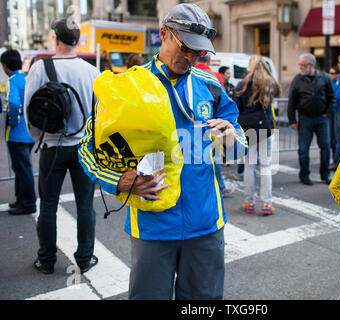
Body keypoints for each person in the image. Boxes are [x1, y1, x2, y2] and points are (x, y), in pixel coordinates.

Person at [78, 3, 247, 300]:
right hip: (152, 225)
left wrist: (233, 139)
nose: (192, 57)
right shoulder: (127, 87)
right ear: (163, 34)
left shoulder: (212, 85)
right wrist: (117, 181)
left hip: (206, 222)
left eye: (199, 52)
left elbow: (240, 138)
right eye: (186, 48)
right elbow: (87, 148)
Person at [24, 19, 100, 275]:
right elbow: (99, 113)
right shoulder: (90, 71)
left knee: (47, 205)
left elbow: (29, 110)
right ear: (77, 40)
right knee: (85, 205)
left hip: (52, 146)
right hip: (84, 148)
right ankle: (85, 257)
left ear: (55, 39)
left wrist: (41, 138)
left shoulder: (39, 68)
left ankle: (46, 260)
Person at [234, 54, 280, 215]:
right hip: (265, 128)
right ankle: (267, 203)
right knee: (266, 166)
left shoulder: (241, 85)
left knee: (249, 165)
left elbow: (236, 108)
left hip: (248, 129)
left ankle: (249, 203)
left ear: (250, 66)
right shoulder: (269, 84)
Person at [287, 53, 335, 185]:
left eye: (302, 65)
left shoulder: (324, 78)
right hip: (305, 119)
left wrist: (327, 112)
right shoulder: (297, 79)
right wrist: (292, 120)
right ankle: (304, 175)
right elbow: (291, 101)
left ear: (311, 65)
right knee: (303, 149)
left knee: (325, 147)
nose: (300, 67)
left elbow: (332, 97)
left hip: (321, 119)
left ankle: (325, 175)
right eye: (300, 65)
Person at [1, 49, 36, 215]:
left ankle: (28, 203)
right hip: (30, 131)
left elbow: (13, 104)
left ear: (5, 66)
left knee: (22, 169)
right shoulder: (27, 78)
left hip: (17, 133)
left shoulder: (12, 80)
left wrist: (13, 121)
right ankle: (20, 200)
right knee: (22, 168)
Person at [194, 54, 232, 197]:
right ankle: (220, 186)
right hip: (213, 122)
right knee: (214, 155)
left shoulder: (187, 73)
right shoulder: (214, 75)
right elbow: (222, 100)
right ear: (209, 61)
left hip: (192, 123)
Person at [328, 65, 340, 170]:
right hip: (330, 113)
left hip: (336, 112)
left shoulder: (338, 83)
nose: (330, 75)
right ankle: (333, 157)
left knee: (336, 137)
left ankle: (335, 159)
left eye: (332, 73)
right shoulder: (330, 83)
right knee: (331, 137)